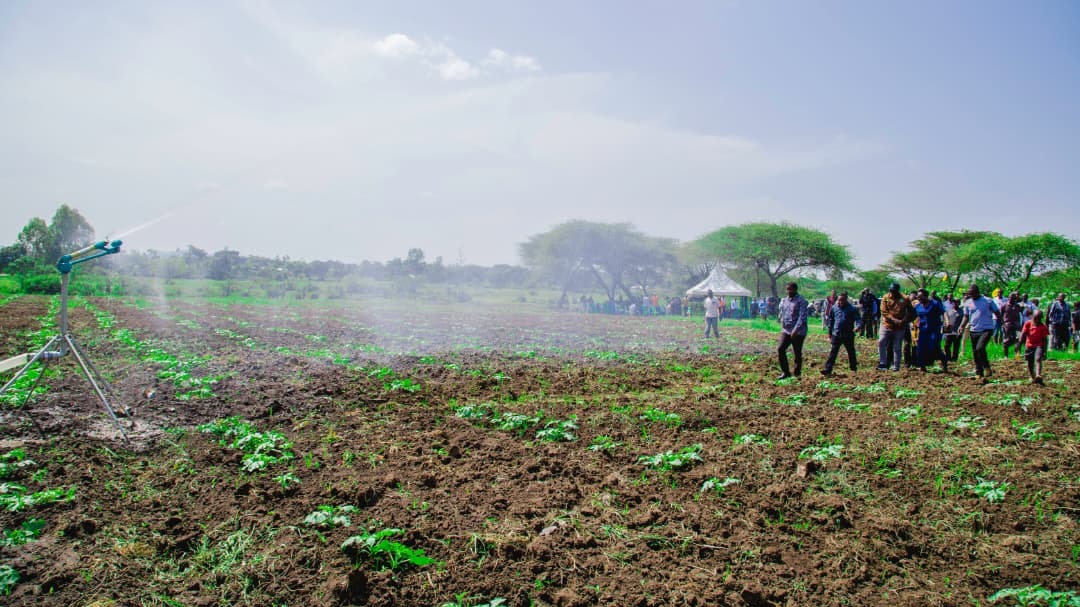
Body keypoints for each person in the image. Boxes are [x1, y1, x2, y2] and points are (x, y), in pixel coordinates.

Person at [958, 284, 1000, 379]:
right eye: (970, 293)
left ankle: (986, 366)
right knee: (975, 352)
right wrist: (961, 326)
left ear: (977, 292)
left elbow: (997, 312)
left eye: (972, 293)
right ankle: (979, 371)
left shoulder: (988, 301)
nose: (971, 295)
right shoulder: (968, 302)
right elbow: (966, 316)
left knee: (980, 348)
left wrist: (1002, 323)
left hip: (986, 329)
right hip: (974, 329)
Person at [821, 291, 860, 376]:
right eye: (839, 300)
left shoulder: (852, 308)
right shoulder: (834, 308)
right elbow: (831, 321)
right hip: (837, 334)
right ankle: (828, 369)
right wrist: (829, 333)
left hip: (848, 334)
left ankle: (853, 369)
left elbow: (858, 319)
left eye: (842, 300)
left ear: (846, 300)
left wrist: (858, 326)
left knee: (851, 352)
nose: (840, 302)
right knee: (833, 352)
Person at [877, 282, 913, 372]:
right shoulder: (885, 297)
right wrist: (894, 320)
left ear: (897, 291)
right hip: (887, 324)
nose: (892, 292)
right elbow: (884, 312)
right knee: (881, 341)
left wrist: (904, 320)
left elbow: (910, 311)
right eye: (891, 290)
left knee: (897, 346)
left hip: (900, 326)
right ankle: (883, 363)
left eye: (894, 291)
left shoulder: (904, 298)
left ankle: (896, 367)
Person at [777, 282, 809, 379]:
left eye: (790, 289)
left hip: (798, 331)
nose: (788, 291)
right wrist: (781, 319)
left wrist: (796, 329)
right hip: (786, 329)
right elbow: (782, 312)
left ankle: (797, 373)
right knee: (780, 348)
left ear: (795, 290)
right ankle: (785, 372)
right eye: (787, 289)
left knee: (797, 352)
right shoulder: (785, 300)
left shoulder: (801, 301)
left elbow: (802, 316)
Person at [913, 289, 947, 372]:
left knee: (933, 347)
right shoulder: (918, 306)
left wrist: (947, 322)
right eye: (918, 297)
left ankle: (943, 360)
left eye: (921, 297)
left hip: (934, 330)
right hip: (923, 330)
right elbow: (913, 316)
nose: (919, 299)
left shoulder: (935, 304)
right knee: (920, 347)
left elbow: (944, 312)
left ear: (926, 296)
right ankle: (922, 366)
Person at [1019, 309, 1050, 384]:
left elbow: (1045, 340)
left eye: (1039, 318)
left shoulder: (1043, 327)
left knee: (1038, 359)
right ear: (1032, 316)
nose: (1037, 320)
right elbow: (1023, 334)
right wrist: (1019, 344)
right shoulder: (1028, 324)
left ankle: (1038, 375)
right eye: (1035, 318)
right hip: (1029, 345)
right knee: (1030, 362)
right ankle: (1033, 377)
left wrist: (1045, 351)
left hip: (1039, 345)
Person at [999, 292, 1024, 359]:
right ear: (1009, 298)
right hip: (1008, 325)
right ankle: (1006, 356)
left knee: (1019, 339)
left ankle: (1017, 354)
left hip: (1017, 325)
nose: (1012, 300)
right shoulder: (1004, 306)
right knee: (1008, 340)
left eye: (1014, 299)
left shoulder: (1017, 306)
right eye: (1011, 298)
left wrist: (1020, 324)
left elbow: (1019, 315)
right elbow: (1000, 316)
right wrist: (1003, 324)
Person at [943, 295, 964, 362]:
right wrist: (947, 322)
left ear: (959, 303)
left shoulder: (962, 312)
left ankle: (954, 358)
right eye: (953, 302)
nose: (955, 303)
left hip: (957, 331)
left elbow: (964, 321)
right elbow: (945, 316)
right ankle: (948, 357)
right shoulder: (948, 310)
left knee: (956, 346)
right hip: (949, 331)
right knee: (946, 345)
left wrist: (961, 329)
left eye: (956, 302)